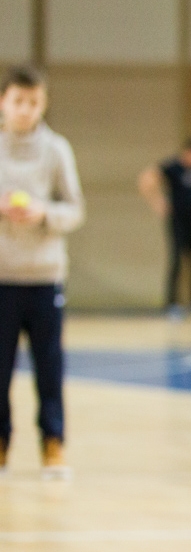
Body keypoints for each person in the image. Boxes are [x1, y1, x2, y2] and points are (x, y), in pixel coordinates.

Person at [0, 66, 84, 479]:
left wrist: (43, 213)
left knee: (49, 367)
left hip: (44, 276)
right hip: (2, 277)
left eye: (33, 102)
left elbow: (75, 209)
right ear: (3, 102)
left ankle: (53, 444)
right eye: (17, 101)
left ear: (43, 104)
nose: (24, 110)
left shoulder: (56, 150)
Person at [139, 137, 191, 317]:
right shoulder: (173, 167)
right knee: (177, 259)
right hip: (177, 220)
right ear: (189, 152)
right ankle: (172, 304)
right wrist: (157, 202)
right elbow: (146, 178)